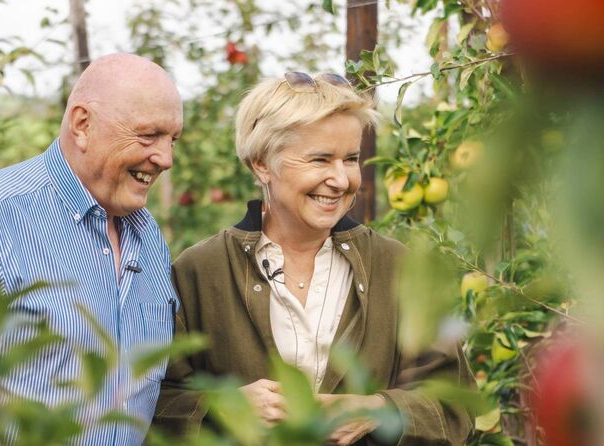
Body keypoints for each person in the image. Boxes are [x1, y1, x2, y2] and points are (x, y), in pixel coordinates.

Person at [152, 72, 475, 445]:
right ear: (261, 163)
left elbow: (456, 405)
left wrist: (378, 410)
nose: (340, 179)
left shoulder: (399, 268)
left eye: (350, 158)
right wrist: (225, 406)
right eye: (320, 159)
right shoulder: (199, 272)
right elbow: (154, 404)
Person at [0, 53, 184, 445]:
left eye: (172, 139)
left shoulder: (148, 242)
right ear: (82, 124)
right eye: (148, 136)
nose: (165, 158)